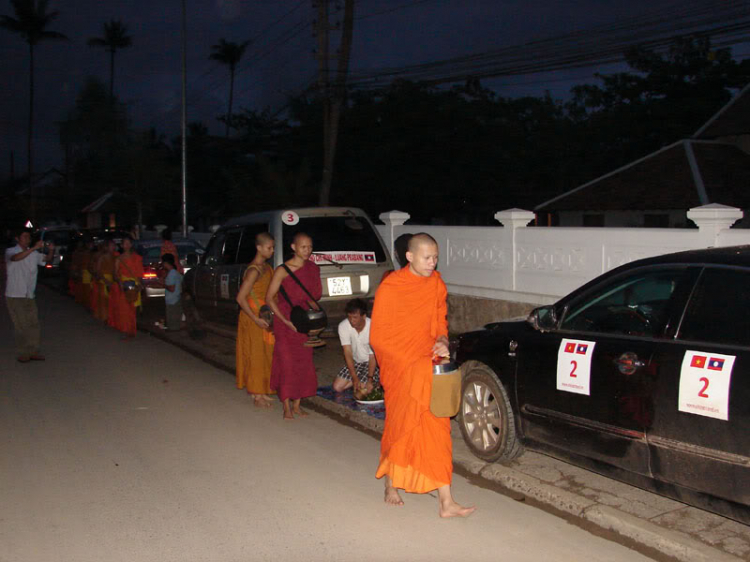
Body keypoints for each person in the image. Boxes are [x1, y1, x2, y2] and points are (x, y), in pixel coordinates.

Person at [370, 233, 475, 518]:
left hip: (428, 366)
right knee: (401, 427)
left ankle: (446, 501)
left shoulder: (436, 285)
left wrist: (442, 339)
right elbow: (378, 337)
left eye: (436, 257)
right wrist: (410, 361)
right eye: (427, 258)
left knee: (438, 429)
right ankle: (392, 485)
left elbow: (439, 321)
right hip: (403, 369)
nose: (433, 263)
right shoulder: (392, 287)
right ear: (410, 256)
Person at [265, 232, 322, 420]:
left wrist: (315, 319)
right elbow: (269, 298)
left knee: (303, 363)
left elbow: (315, 297)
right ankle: (286, 405)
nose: (307, 251)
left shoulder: (313, 268)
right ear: (293, 247)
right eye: (303, 247)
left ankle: (297, 404)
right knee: (287, 363)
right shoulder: (283, 270)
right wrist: (284, 320)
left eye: (310, 247)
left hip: (303, 321)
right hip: (285, 322)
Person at [235, 232, 276, 407]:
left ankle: (262, 389)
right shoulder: (254, 270)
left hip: (263, 315)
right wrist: (254, 318)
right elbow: (240, 298)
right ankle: (256, 393)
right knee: (254, 354)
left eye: (273, 247)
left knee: (265, 353)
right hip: (252, 318)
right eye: (269, 247)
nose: (272, 251)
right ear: (259, 248)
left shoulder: (267, 268)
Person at [4, 228, 55, 363]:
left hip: (29, 294)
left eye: (28, 237)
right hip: (15, 294)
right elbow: (16, 258)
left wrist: (51, 250)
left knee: (33, 323)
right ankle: (23, 352)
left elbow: (46, 260)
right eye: (24, 236)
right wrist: (33, 248)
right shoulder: (11, 251)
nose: (27, 239)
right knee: (21, 324)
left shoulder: (33, 254)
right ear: (17, 238)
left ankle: (33, 350)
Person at [332, 298, 380, 397]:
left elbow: (372, 357)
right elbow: (347, 352)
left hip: (372, 362)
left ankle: (375, 380)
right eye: (349, 317)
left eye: (355, 317)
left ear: (363, 316)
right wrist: (354, 377)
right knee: (337, 387)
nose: (351, 321)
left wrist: (370, 378)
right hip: (356, 362)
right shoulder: (343, 326)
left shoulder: (373, 327)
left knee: (361, 392)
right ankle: (363, 381)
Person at [113, 235, 144, 339]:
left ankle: (131, 331)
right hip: (124, 285)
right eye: (124, 243)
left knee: (132, 309)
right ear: (121, 245)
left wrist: (139, 284)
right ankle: (127, 330)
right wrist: (120, 283)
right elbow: (116, 274)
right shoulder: (119, 259)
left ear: (131, 244)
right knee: (124, 309)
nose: (127, 245)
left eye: (128, 243)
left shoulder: (137, 257)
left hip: (134, 285)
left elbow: (140, 273)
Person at [162, 253, 182, 331]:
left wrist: (164, 285)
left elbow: (171, 288)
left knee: (172, 322)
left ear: (166, 263)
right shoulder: (175, 273)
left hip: (172, 300)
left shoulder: (171, 273)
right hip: (176, 298)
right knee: (176, 320)